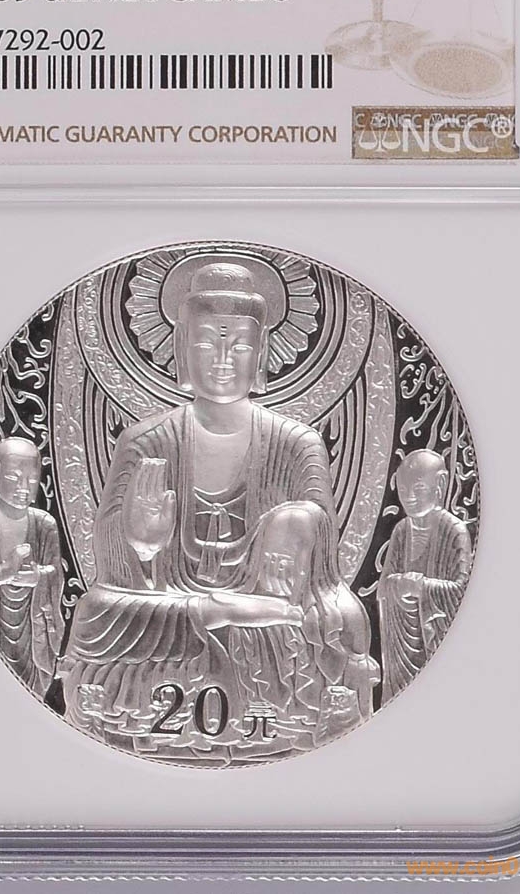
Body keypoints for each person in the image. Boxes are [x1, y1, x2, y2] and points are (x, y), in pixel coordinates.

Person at [60, 260, 376, 759]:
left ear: (261, 352)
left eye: (240, 345)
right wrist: (143, 546)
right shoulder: (145, 440)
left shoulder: (297, 443)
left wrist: (291, 532)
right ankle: (223, 624)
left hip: (271, 600)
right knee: (96, 611)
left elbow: (322, 559)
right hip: (168, 604)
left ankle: (242, 637)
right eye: (207, 343)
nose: (224, 359)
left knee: (339, 618)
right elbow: (112, 562)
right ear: (182, 348)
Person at [0, 437, 64, 697]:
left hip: (33, 628)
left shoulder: (44, 524)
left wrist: (38, 577)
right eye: (13, 477)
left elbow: (56, 573)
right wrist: (3, 573)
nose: (23, 487)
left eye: (31, 479)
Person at [378, 449, 473, 703]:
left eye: (418, 489)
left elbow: (463, 590)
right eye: (403, 489)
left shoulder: (454, 530)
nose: (409, 497)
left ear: (439, 484)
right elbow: (383, 587)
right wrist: (398, 584)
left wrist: (421, 587)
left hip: (436, 638)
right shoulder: (401, 531)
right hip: (403, 647)